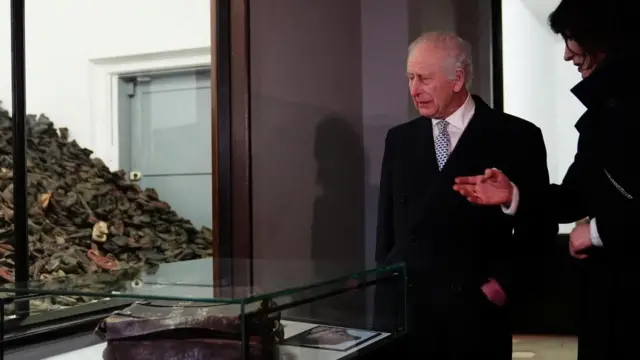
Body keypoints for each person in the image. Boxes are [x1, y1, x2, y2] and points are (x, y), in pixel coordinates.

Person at [452, 1, 637, 359]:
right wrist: (513, 195)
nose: (567, 54)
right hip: (607, 298)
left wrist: (598, 231)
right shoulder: (602, 116)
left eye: (572, 39)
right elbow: (573, 197)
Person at [373, 31, 557, 359]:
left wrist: (503, 285)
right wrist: (385, 291)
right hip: (409, 314)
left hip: (474, 316)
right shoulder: (399, 140)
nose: (415, 90)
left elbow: (540, 227)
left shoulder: (517, 136)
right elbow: (386, 230)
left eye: (425, 79)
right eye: (411, 78)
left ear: (457, 79)